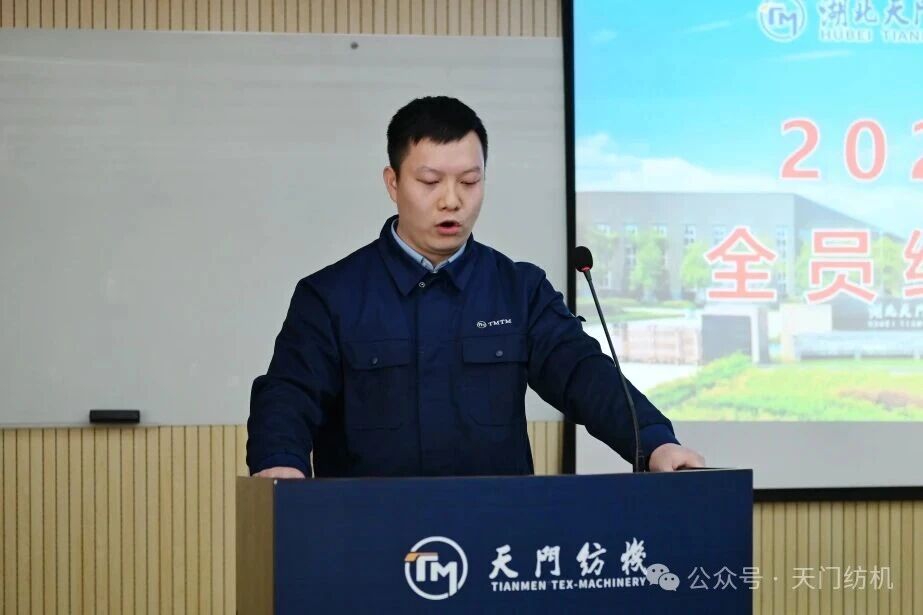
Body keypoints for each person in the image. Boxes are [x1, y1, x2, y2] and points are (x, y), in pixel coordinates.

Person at [247, 96, 704, 479]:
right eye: (430, 182)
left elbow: (584, 374)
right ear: (393, 182)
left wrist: (655, 442)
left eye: (469, 181)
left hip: (495, 532)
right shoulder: (332, 296)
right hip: (367, 532)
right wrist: (280, 462)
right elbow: (289, 394)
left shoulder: (518, 290)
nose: (452, 200)